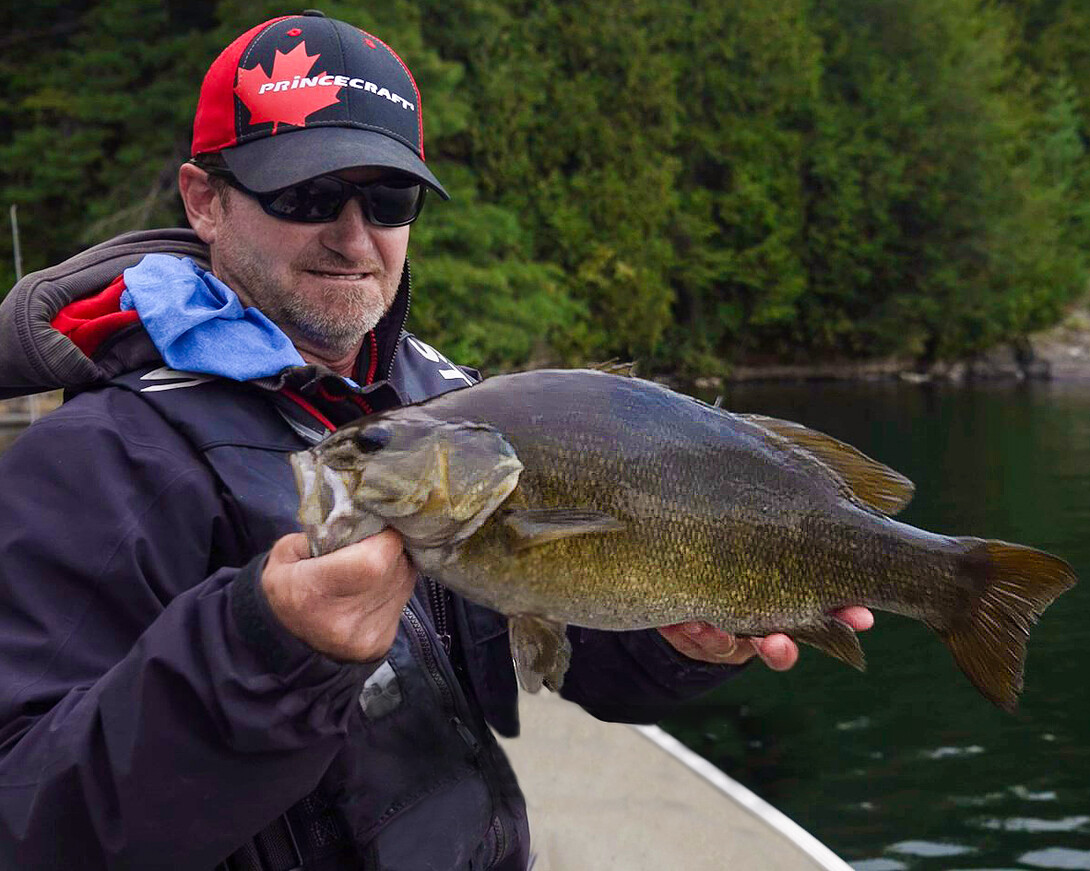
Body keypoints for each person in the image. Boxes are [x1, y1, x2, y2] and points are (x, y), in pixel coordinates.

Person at [0, 11, 872, 870]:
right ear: (204, 201)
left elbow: (545, 644)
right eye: (305, 194)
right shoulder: (88, 464)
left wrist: (670, 639)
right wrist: (265, 650)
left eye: (387, 198)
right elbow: (25, 818)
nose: (353, 236)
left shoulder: (442, 406)